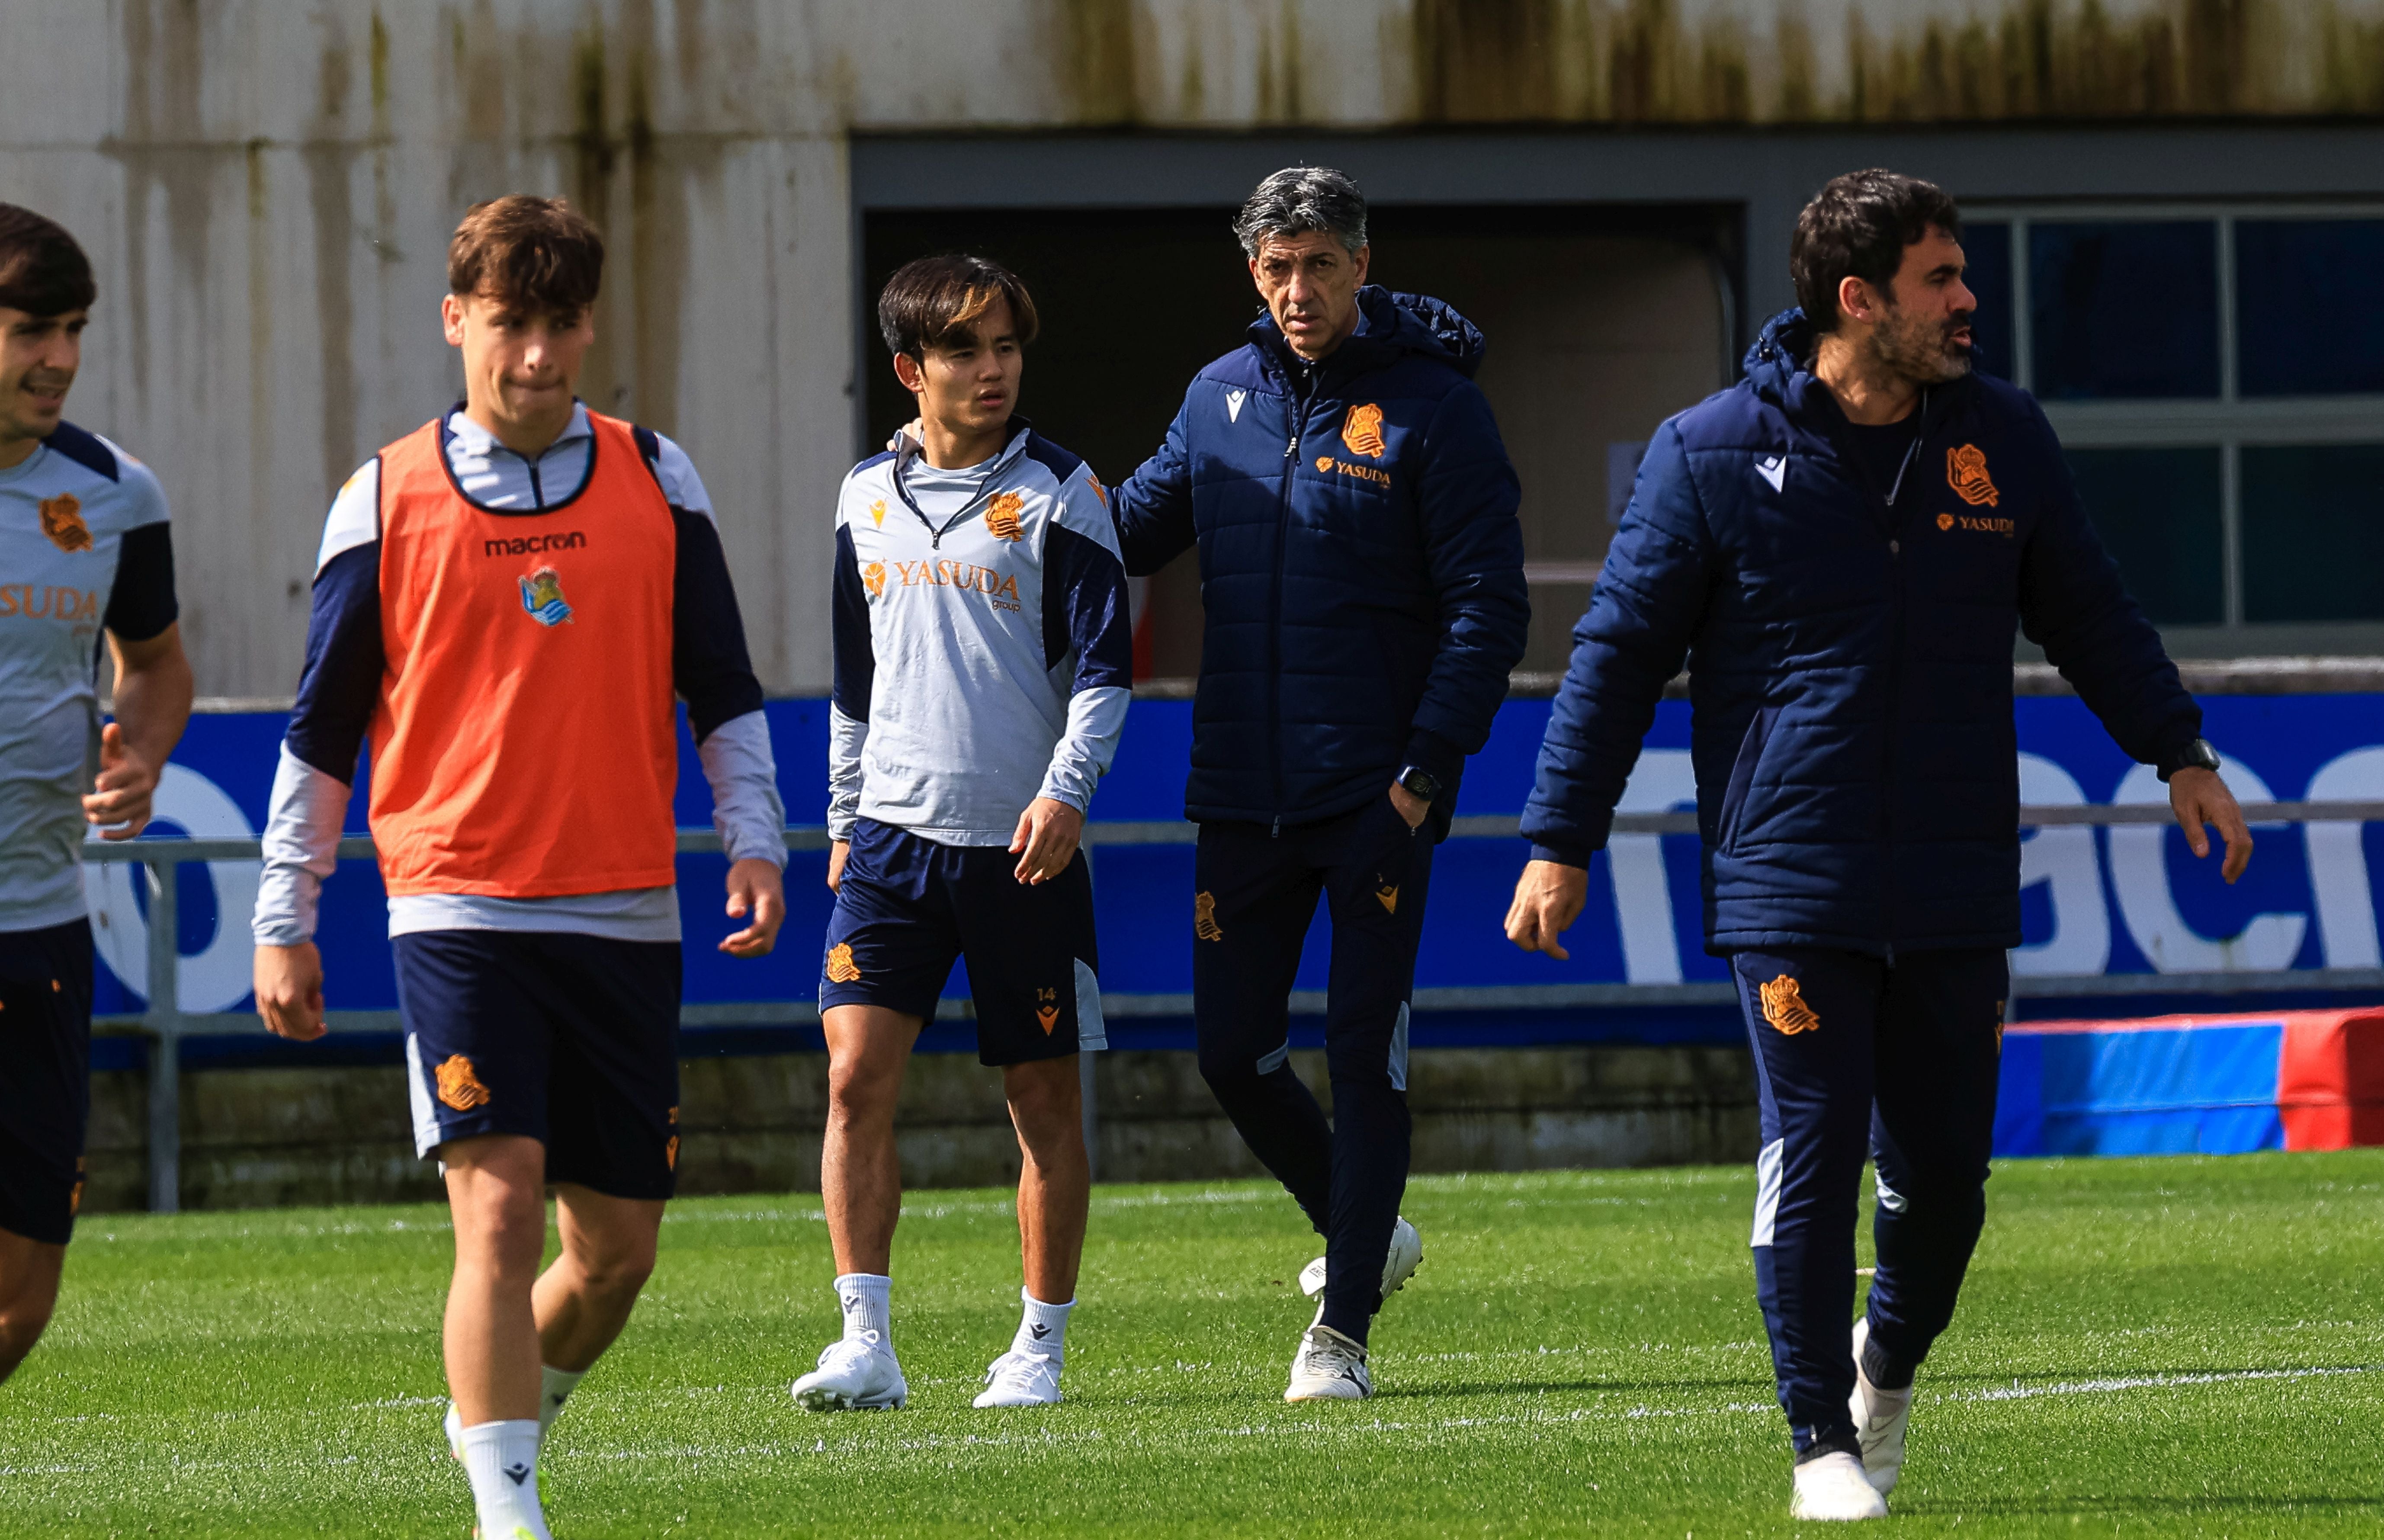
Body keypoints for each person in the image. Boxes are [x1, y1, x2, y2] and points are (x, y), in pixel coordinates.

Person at [1505, 170, 2253, 1521]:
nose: (1969, 302)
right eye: (1942, 279)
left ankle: (1884, 1374)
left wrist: (2180, 753)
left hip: (1961, 872)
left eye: (1963, 276)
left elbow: (2089, 610)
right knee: (1814, 1147)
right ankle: (1818, 1446)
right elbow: (1613, 660)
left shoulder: (2005, 441)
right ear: (1859, 301)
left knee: (1949, 1190)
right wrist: (1560, 837)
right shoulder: (1709, 451)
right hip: (1791, 874)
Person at [251, 195, 786, 1540]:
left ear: (590, 325)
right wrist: (287, 912)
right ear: (456, 323)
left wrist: (758, 841)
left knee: (616, 1257)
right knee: (494, 1215)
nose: (538, 356)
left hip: (626, 912)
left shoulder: (662, 479)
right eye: (509, 325)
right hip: (457, 905)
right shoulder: (381, 497)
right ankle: (508, 1510)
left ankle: (493, 1429)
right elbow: (318, 731)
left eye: (561, 325)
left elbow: (721, 685)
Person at [1109, 167, 1529, 1401]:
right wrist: (1006, 487)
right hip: (1241, 790)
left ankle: (1340, 1333)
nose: (1299, 291)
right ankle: (1368, 1235)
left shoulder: (1437, 410)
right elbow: (1129, 531)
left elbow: (1486, 605)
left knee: (1365, 1056)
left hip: (1374, 800)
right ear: (1253, 271)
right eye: (1278, 268)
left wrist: (1422, 774)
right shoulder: (1215, 397)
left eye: (1322, 266)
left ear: (1361, 265)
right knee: (1231, 1055)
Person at [794, 254, 1130, 1414]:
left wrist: (1067, 792)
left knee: (1041, 1103)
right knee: (852, 1080)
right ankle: (865, 1342)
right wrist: (842, 820)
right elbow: (850, 678)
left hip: (1020, 851)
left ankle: (1037, 1347)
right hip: (887, 846)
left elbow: (1107, 673)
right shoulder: (861, 496)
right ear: (911, 368)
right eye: (967, 351)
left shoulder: (1063, 494)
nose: (993, 371)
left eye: (1007, 348)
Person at [0, 204, 193, 1386]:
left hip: (40, 925)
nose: (60, 357)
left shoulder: (116, 495)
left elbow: (159, 665)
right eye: (31, 328)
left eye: (73, 329)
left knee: (22, 1301)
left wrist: (147, 750)